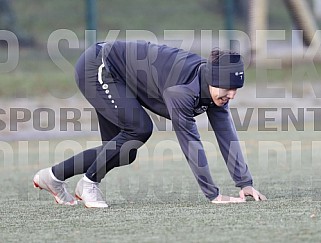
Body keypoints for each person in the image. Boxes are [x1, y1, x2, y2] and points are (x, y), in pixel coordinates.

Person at [33, 40, 267, 208]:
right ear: (213, 81)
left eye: (236, 90)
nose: (232, 96)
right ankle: (89, 183)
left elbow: (226, 134)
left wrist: (244, 183)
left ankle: (52, 177)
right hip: (99, 66)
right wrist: (213, 195)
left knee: (124, 153)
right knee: (139, 129)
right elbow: (191, 144)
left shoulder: (214, 91)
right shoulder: (183, 92)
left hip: (120, 76)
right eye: (228, 89)